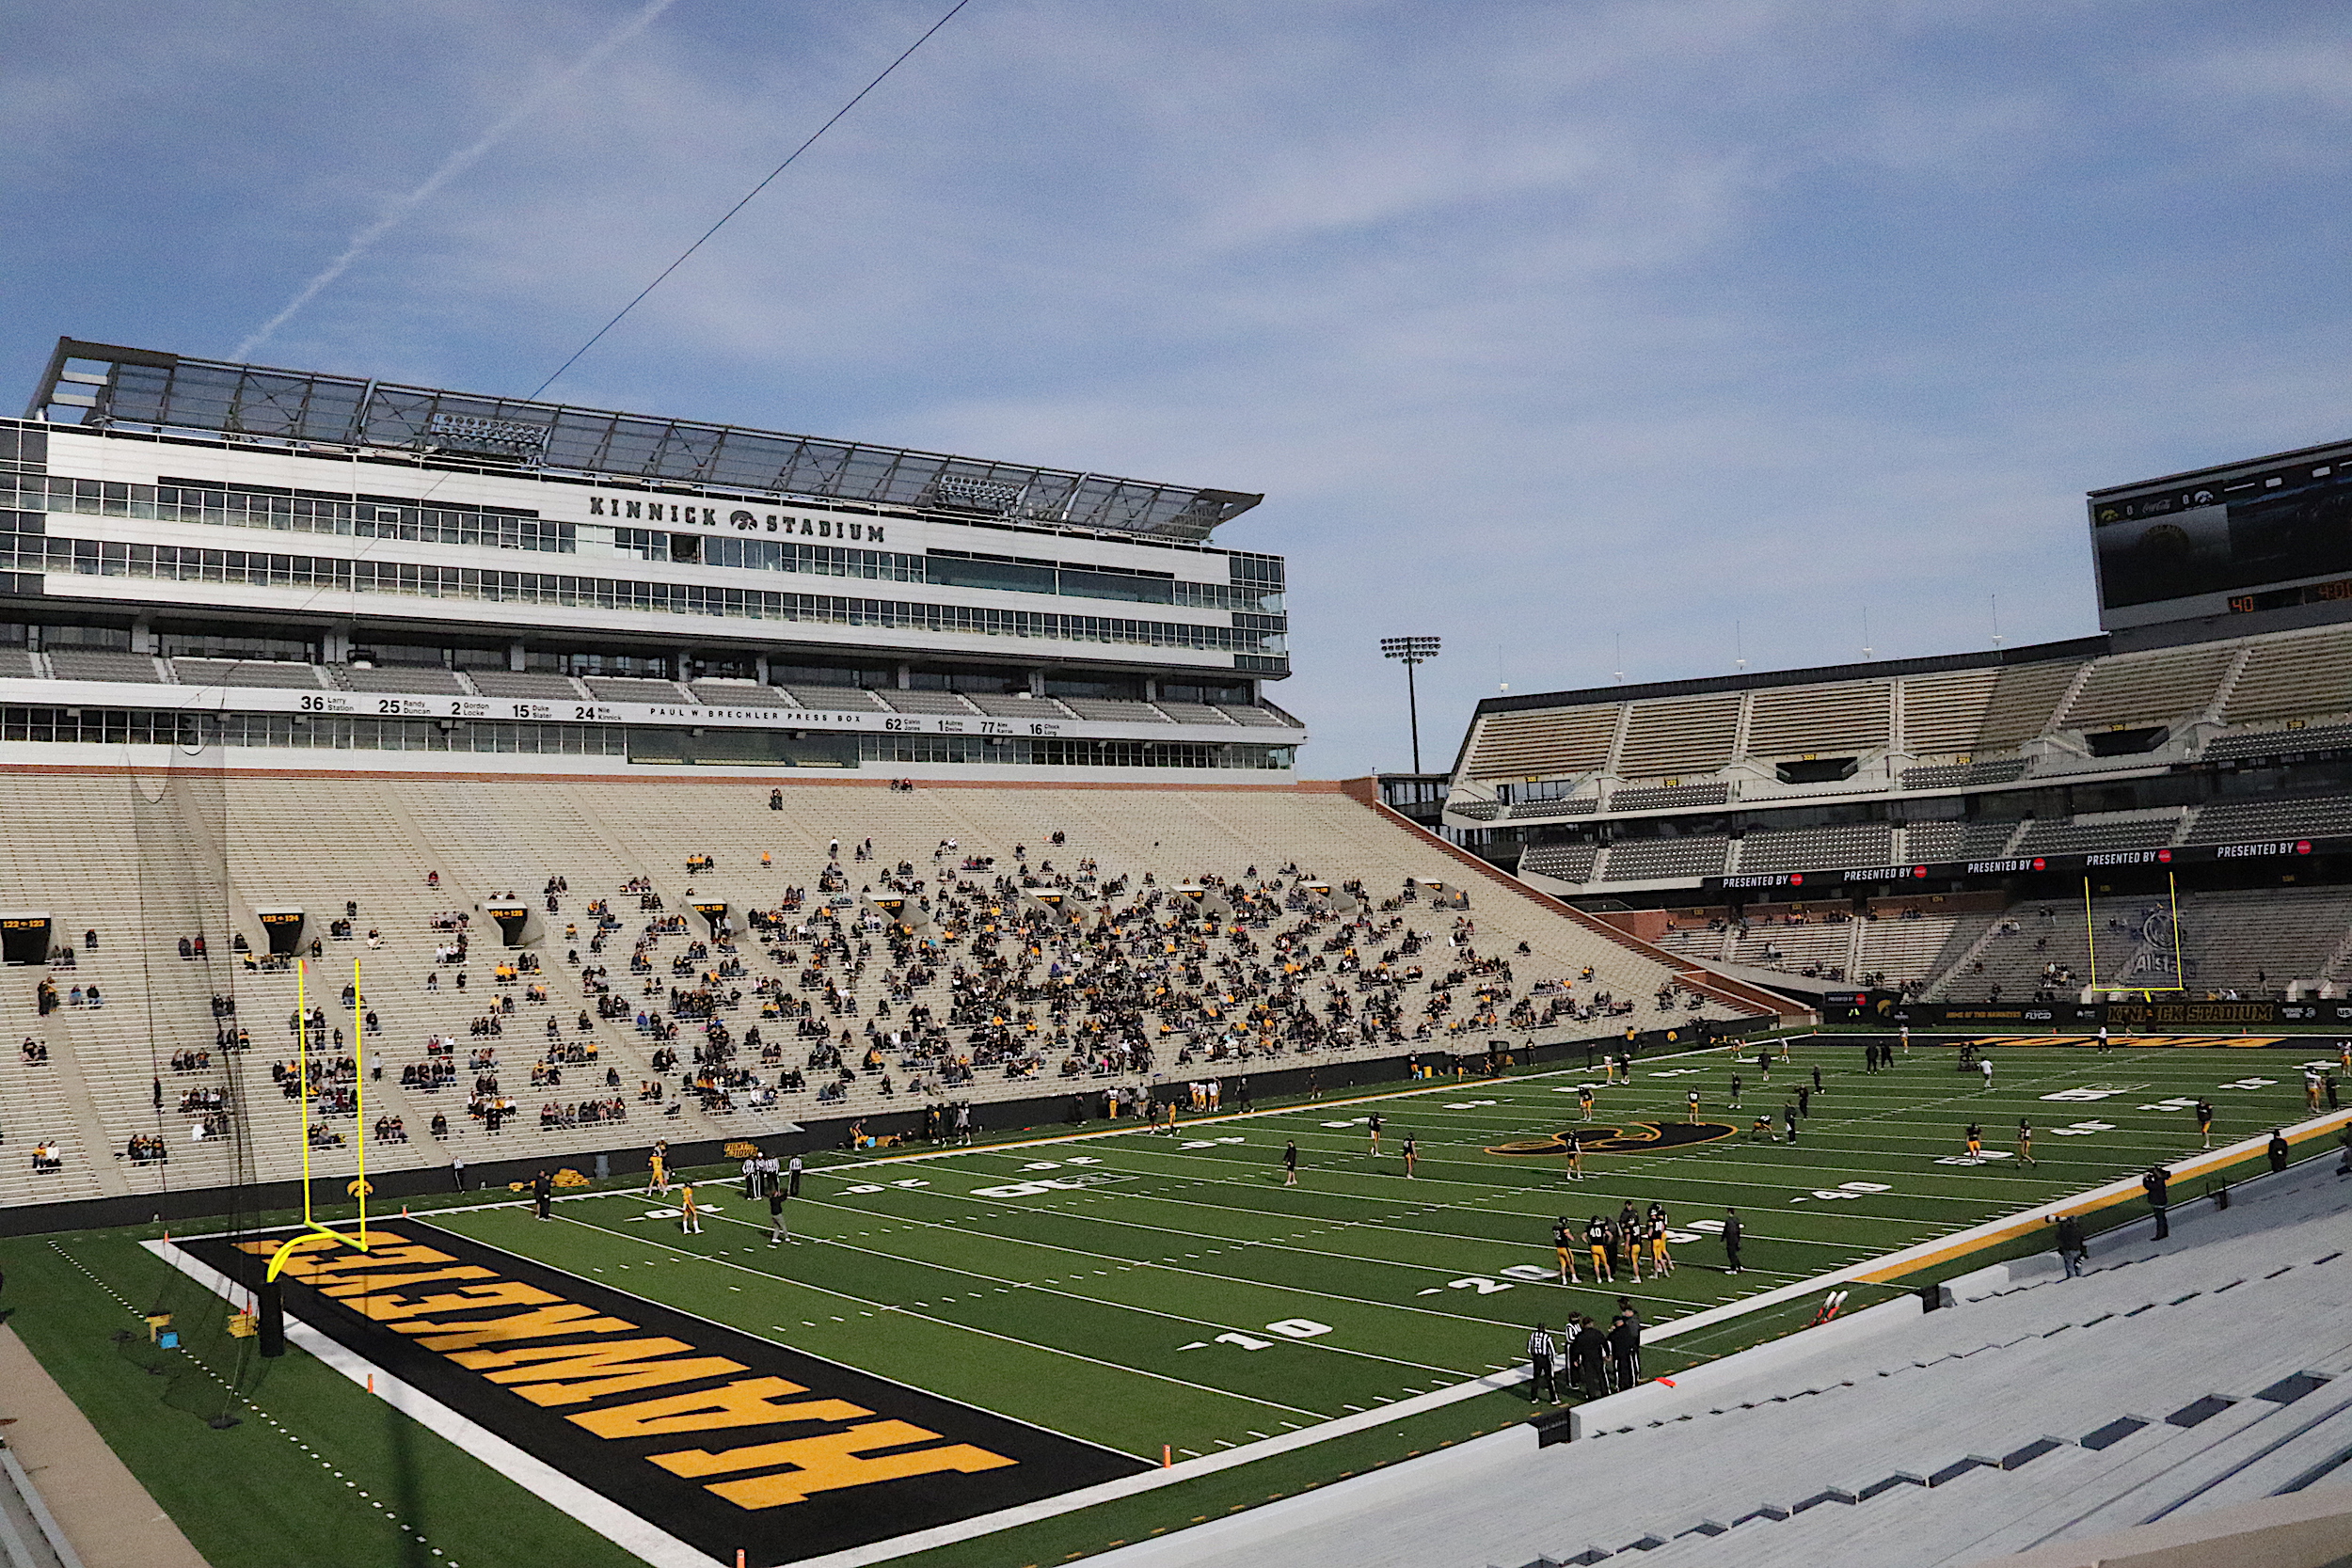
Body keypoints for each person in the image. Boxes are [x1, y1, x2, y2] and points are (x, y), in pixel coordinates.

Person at [1608, 1298, 1643, 1390]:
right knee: (1629, 1361)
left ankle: (1636, 1376)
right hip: (1629, 1341)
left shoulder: (1632, 1318)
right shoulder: (1628, 1317)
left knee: (1633, 1359)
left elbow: (1634, 1331)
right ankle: (1632, 1376)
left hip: (1631, 1341)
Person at [1527, 1323, 1559, 1403]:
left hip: (1536, 1358)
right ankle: (1553, 1399)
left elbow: (1529, 1349)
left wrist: (1534, 1357)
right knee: (1549, 1378)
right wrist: (1552, 1359)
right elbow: (1552, 1350)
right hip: (1545, 1359)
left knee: (1536, 1378)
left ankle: (1533, 1397)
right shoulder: (1547, 1337)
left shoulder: (1532, 1335)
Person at [2142, 1164, 2170, 1240]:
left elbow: (2149, 1186)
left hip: (2158, 1202)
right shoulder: (2160, 1181)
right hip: (2160, 1201)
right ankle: (2164, 1232)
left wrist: (2145, 1179)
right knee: (2162, 1218)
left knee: (2160, 1218)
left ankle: (2161, 1234)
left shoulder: (2159, 1182)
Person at [2055, 1212, 2087, 1277]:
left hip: (2069, 1250)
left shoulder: (2066, 1230)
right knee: (2078, 1267)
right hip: (2078, 1249)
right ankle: (2079, 1278)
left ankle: (2072, 1281)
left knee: (2070, 1268)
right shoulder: (2078, 1230)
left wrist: (2061, 1226)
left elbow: (2059, 1236)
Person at [1553, 1215, 1581, 1285]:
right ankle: (1574, 1278)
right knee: (1571, 1263)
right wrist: (1572, 1238)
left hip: (1558, 1248)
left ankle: (1564, 1279)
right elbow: (1567, 1234)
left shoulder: (1555, 1228)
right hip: (1565, 1248)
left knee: (1563, 1265)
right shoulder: (1564, 1228)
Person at [1586, 1213, 1613, 1282]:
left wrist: (1588, 1243)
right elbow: (1610, 1235)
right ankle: (1609, 1277)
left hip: (1593, 1247)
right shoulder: (1602, 1226)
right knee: (1606, 1263)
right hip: (1600, 1247)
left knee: (1596, 1264)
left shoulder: (1590, 1227)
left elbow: (1583, 1236)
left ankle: (1598, 1279)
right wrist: (1607, 1243)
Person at [768, 1173, 790, 1244]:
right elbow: (783, 1198)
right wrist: (786, 1193)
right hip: (778, 1214)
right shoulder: (777, 1199)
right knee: (783, 1226)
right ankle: (787, 1237)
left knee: (777, 1227)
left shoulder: (772, 1199)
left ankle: (775, 1238)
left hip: (773, 1215)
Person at [1723, 1207, 1743, 1274]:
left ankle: (1733, 1269)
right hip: (1736, 1239)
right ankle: (1739, 1266)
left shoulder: (1729, 1221)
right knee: (1733, 1254)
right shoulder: (1736, 1220)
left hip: (1731, 1239)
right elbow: (1738, 1231)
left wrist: (1722, 1239)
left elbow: (1726, 1231)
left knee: (1731, 1254)